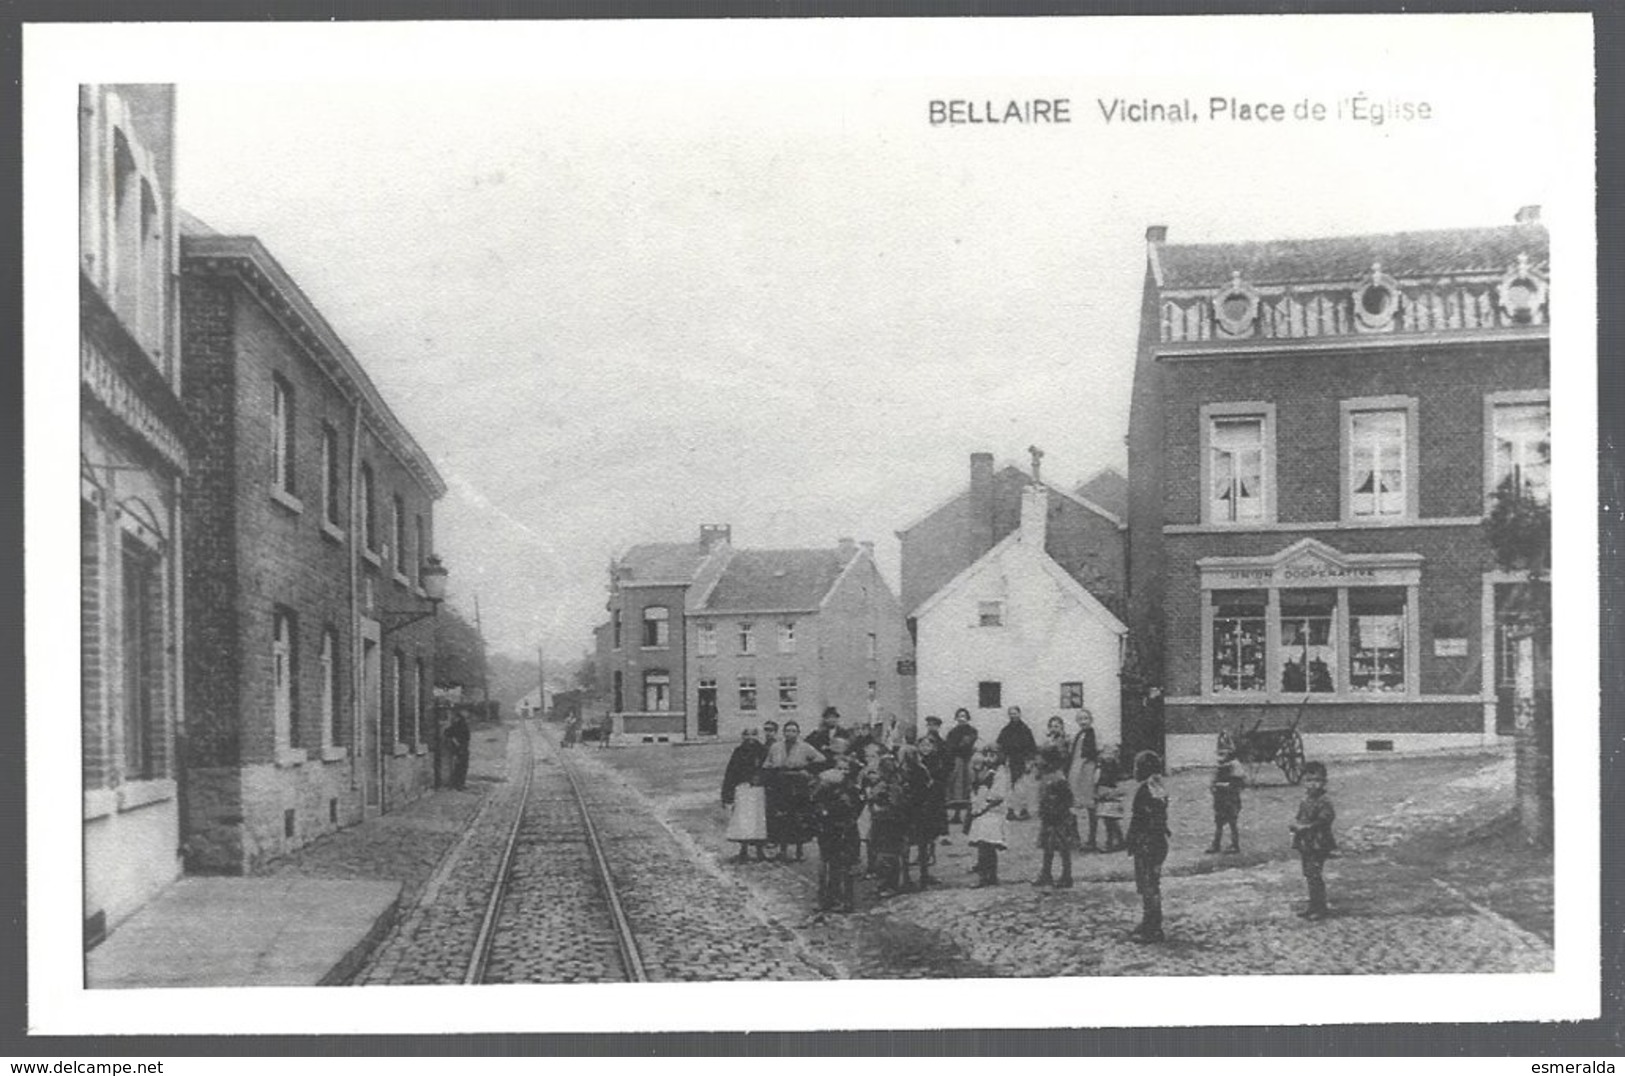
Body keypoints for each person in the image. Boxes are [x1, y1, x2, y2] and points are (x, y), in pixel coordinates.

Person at [1124, 750, 1170, 943]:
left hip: (1146, 844)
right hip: (1158, 843)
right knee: (1152, 884)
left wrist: (1131, 840)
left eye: (1136, 766)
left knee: (1147, 886)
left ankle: (1152, 927)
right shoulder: (1158, 787)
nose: (1134, 770)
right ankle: (1150, 922)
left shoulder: (1144, 790)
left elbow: (1139, 820)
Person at [764, 719, 826, 862]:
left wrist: (807, 770)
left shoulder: (805, 747)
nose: (790, 733)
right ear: (783, 732)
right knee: (782, 817)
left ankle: (799, 850)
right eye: (787, 731)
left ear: (798, 733)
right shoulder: (775, 747)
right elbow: (767, 764)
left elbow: (821, 759)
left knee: (798, 818)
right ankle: (783, 850)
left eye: (793, 731)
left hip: (798, 785)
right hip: (781, 784)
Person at [1288, 760, 1337, 920]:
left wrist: (1307, 827)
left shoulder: (1324, 801)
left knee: (1315, 874)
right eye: (1309, 780)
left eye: (1317, 781)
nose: (1313, 785)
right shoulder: (1306, 800)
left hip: (1319, 841)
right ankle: (1313, 905)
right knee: (1309, 873)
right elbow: (1300, 816)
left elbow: (1325, 820)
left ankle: (1320, 908)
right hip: (1306, 842)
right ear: (1303, 782)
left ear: (1324, 782)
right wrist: (1295, 824)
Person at [812, 763, 863, 913]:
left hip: (843, 833)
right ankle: (832, 898)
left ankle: (844, 901)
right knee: (832, 866)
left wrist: (826, 814)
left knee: (843, 867)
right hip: (831, 833)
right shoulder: (829, 792)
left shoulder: (847, 793)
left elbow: (850, 812)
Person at [1033, 744, 1077, 888]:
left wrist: (1058, 812)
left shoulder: (1058, 778)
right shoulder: (1045, 776)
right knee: (1048, 847)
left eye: (1039, 758)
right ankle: (1046, 874)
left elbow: (1068, 799)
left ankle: (1066, 876)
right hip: (1048, 818)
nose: (1037, 761)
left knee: (1063, 848)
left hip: (1059, 819)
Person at [722, 727, 768, 862]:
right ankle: (744, 850)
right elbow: (731, 772)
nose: (750, 738)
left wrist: (760, 778)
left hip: (759, 789)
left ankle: (760, 850)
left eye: (753, 735)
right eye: (746, 735)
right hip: (742, 788)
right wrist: (727, 793)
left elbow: (768, 768)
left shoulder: (763, 751)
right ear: (742, 737)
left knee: (759, 820)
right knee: (743, 819)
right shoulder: (738, 752)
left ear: (757, 736)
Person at [966, 747, 1009, 887]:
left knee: (987, 844)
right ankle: (987, 876)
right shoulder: (987, 772)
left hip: (992, 812)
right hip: (984, 812)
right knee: (984, 845)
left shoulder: (1001, 773)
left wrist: (984, 807)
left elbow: (998, 796)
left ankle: (988, 877)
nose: (988, 759)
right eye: (987, 756)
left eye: (992, 756)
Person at [899, 743, 940, 890]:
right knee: (921, 846)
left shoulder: (905, 771)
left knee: (908, 846)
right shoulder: (920, 770)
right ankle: (921, 877)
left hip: (912, 811)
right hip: (918, 811)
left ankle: (909, 878)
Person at [867, 754, 908, 896]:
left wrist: (880, 807)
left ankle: (891, 885)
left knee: (889, 854)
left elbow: (895, 804)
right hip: (881, 821)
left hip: (891, 822)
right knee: (881, 852)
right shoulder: (884, 783)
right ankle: (884, 883)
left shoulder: (893, 785)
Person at [996, 706, 1038, 820]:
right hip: (1011, 762)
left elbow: (1031, 747)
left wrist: (1030, 761)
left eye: (1015, 713)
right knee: (1010, 787)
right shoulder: (1006, 730)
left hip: (1022, 762)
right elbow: (1000, 746)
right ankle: (1010, 810)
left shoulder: (1025, 730)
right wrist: (1003, 760)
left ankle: (1023, 810)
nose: (1013, 716)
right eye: (1011, 714)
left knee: (1023, 787)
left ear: (1019, 714)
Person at [1068, 709, 1101, 851]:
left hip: (1087, 770)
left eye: (1086, 718)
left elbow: (1093, 753)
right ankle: (1075, 838)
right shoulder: (1079, 735)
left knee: (1090, 805)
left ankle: (1091, 839)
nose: (1083, 721)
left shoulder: (1092, 735)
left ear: (1091, 720)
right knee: (1074, 803)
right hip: (1076, 772)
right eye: (1080, 719)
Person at [1208, 734, 1246, 855]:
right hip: (1220, 798)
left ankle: (1235, 845)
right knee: (1218, 822)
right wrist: (1214, 786)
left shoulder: (1235, 766)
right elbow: (1213, 781)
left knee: (1232, 822)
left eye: (1224, 753)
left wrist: (1223, 786)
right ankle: (1216, 844)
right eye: (1220, 753)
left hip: (1231, 799)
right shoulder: (1220, 766)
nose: (1221, 756)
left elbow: (1238, 784)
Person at [944, 708, 979, 827]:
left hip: (968, 759)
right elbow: (949, 746)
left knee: (970, 784)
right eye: (959, 716)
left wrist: (959, 747)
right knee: (957, 786)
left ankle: (971, 814)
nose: (961, 718)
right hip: (957, 760)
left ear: (968, 718)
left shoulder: (972, 731)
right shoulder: (953, 732)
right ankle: (957, 814)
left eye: (964, 716)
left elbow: (967, 744)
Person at [1094, 745, 1126, 852]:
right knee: (1111, 820)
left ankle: (1111, 843)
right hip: (1109, 792)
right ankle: (1119, 841)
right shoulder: (1112, 765)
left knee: (1109, 820)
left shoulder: (1107, 766)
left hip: (1107, 793)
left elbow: (1099, 779)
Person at [444, 709, 471, 790]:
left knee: (461, 766)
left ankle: (459, 783)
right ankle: (459, 784)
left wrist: (454, 740)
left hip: (462, 747)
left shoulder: (459, 725)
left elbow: (448, 733)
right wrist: (455, 741)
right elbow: (448, 733)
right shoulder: (459, 725)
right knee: (460, 766)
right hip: (460, 748)